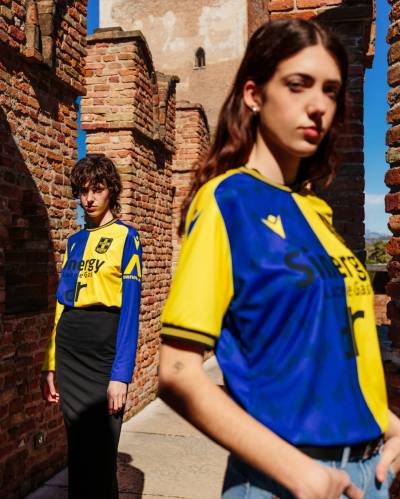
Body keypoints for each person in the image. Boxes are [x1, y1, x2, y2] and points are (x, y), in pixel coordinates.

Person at [158, 19, 400, 499]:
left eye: (330, 91)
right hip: (285, 479)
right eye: (298, 84)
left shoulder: (315, 211)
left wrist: (391, 426)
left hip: (369, 473)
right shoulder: (228, 200)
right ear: (254, 94)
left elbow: (333, 351)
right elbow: (178, 371)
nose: (318, 105)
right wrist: (299, 474)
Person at [40, 154, 142, 499]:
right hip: (70, 349)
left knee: (101, 452)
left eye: (97, 189)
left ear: (111, 190)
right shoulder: (74, 242)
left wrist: (121, 375)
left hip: (104, 348)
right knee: (80, 453)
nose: (89, 198)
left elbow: (131, 310)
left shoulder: (127, 238)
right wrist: (50, 364)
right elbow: (61, 304)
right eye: (83, 191)